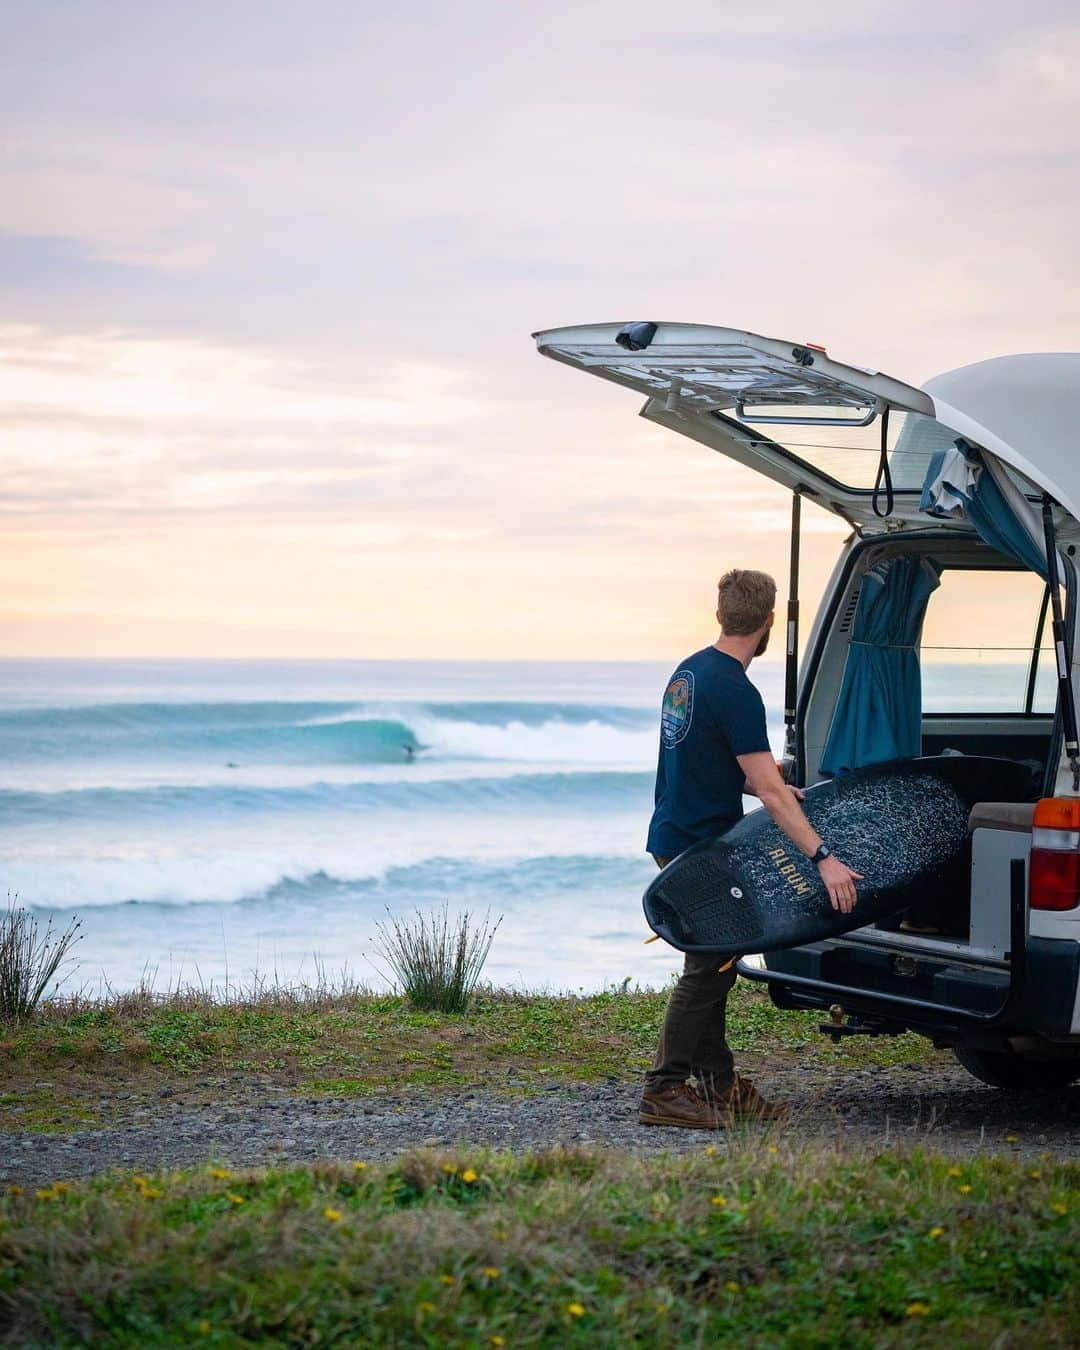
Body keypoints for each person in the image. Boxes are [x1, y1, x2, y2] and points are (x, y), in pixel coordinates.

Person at [639, 568, 863, 1130]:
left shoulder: (688, 674)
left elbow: (707, 761)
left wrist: (765, 785)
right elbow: (767, 790)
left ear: (721, 615)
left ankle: (719, 1086)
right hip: (700, 845)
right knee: (708, 966)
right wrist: (823, 857)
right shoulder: (736, 690)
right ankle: (664, 1089)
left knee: (716, 960)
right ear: (767, 625)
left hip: (674, 833)